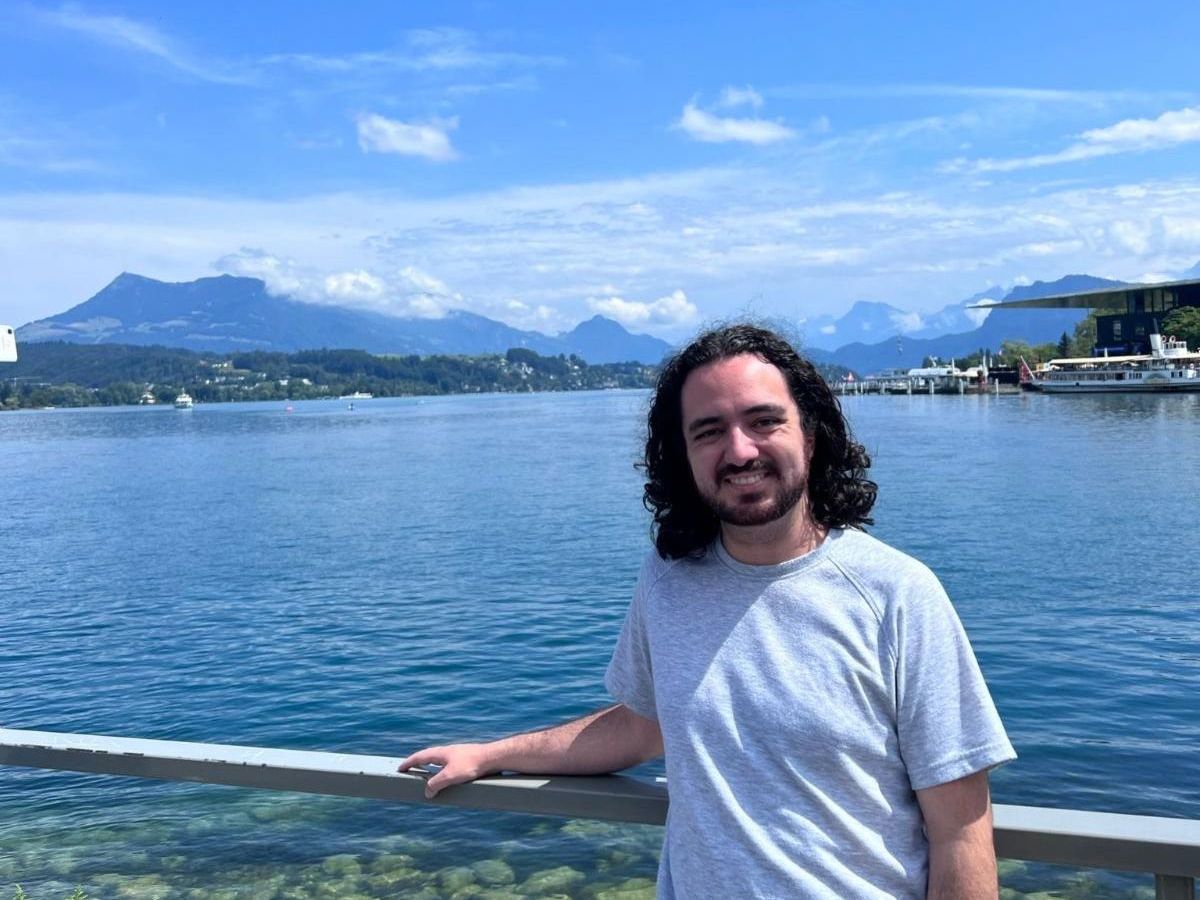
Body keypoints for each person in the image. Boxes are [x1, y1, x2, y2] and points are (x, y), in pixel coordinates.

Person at [400, 323, 1015, 899]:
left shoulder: (897, 594)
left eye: (763, 420)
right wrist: (489, 755)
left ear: (812, 431)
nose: (739, 450)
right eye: (709, 430)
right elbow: (644, 725)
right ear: (683, 454)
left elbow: (960, 827)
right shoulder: (668, 581)